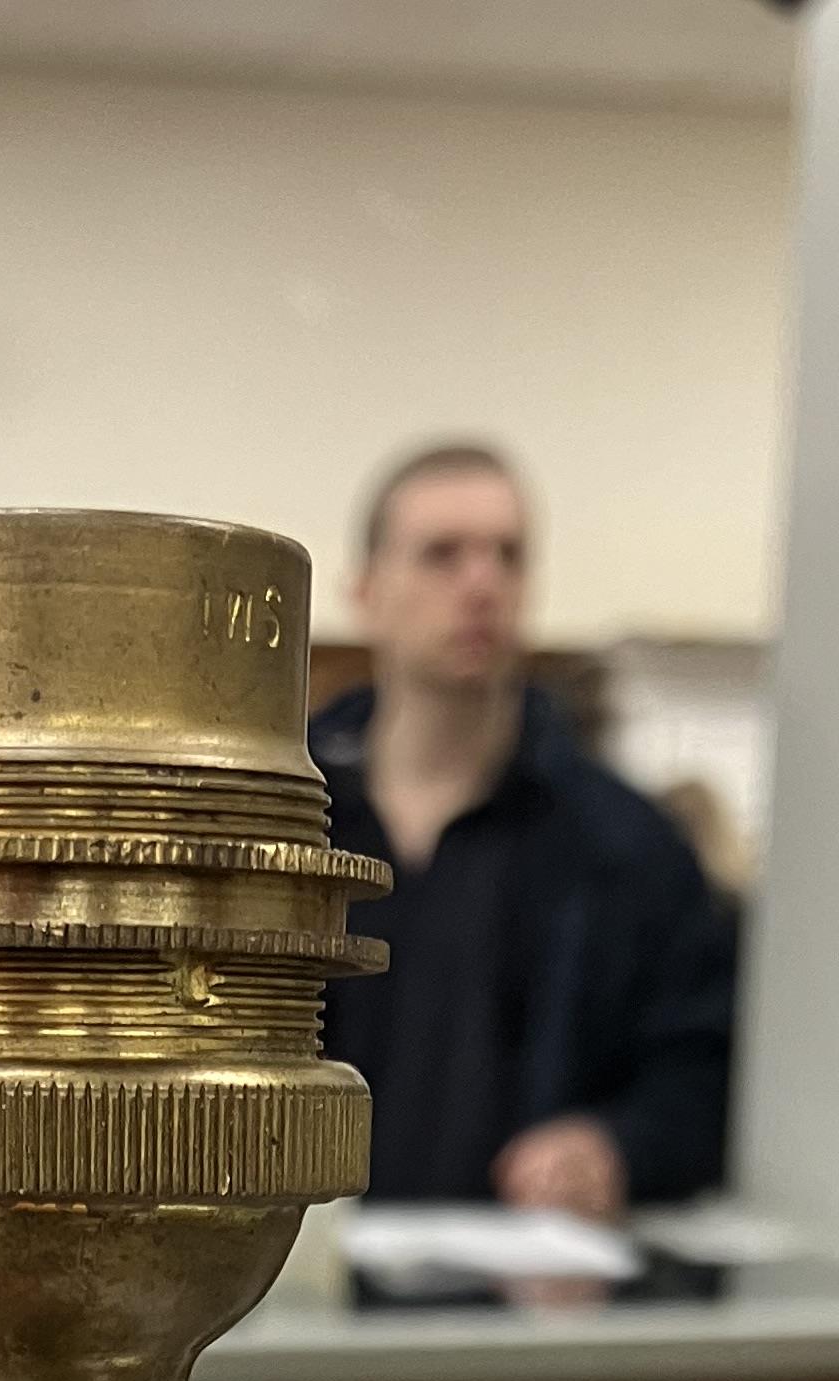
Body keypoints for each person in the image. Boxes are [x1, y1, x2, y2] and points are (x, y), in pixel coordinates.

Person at [314, 444, 738, 1219]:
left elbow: (703, 1076)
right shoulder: (287, 832)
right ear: (367, 591)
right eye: (443, 554)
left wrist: (615, 1146)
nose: (482, 583)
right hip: (294, 1290)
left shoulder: (629, 849)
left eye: (507, 556)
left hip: (527, 1308)